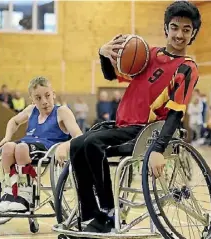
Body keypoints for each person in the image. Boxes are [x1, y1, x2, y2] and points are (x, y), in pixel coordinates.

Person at [67, 1, 201, 233]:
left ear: (193, 34)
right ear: (166, 28)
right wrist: (103, 54)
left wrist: (158, 149)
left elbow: (175, 113)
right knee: (77, 143)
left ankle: (109, 212)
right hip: (122, 126)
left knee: (91, 142)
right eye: (175, 27)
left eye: (186, 29)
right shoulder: (147, 54)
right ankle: (91, 212)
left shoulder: (186, 68)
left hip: (145, 132)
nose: (179, 34)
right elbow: (111, 75)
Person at [0, 76, 82, 213]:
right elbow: (14, 121)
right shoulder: (31, 110)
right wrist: (7, 137)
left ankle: (25, 194)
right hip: (27, 143)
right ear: (32, 100)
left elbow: (78, 135)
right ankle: (10, 192)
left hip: (47, 147)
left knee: (20, 148)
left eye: (47, 96)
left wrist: (65, 146)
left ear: (53, 94)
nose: (44, 101)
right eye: (38, 98)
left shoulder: (62, 112)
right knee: (7, 147)